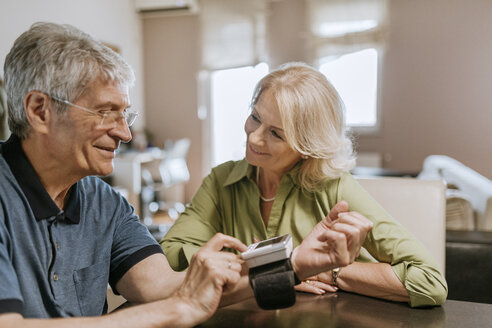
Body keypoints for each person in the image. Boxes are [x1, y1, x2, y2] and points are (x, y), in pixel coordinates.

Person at [0, 23, 373, 327]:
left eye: (124, 115)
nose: (125, 133)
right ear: (39, 110)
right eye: (104, 112)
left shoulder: (105, 204)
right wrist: (177, 310)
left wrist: (294, 265)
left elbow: (164, 287)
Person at [161, 62, 448, 308]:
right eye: (255, 117)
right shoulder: (221, 180)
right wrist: (277, 268)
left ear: (307, 147)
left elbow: (430, 281)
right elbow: (170, 256)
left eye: (275, 133)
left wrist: (326, 272)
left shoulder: (335, 188)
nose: (254, 137)